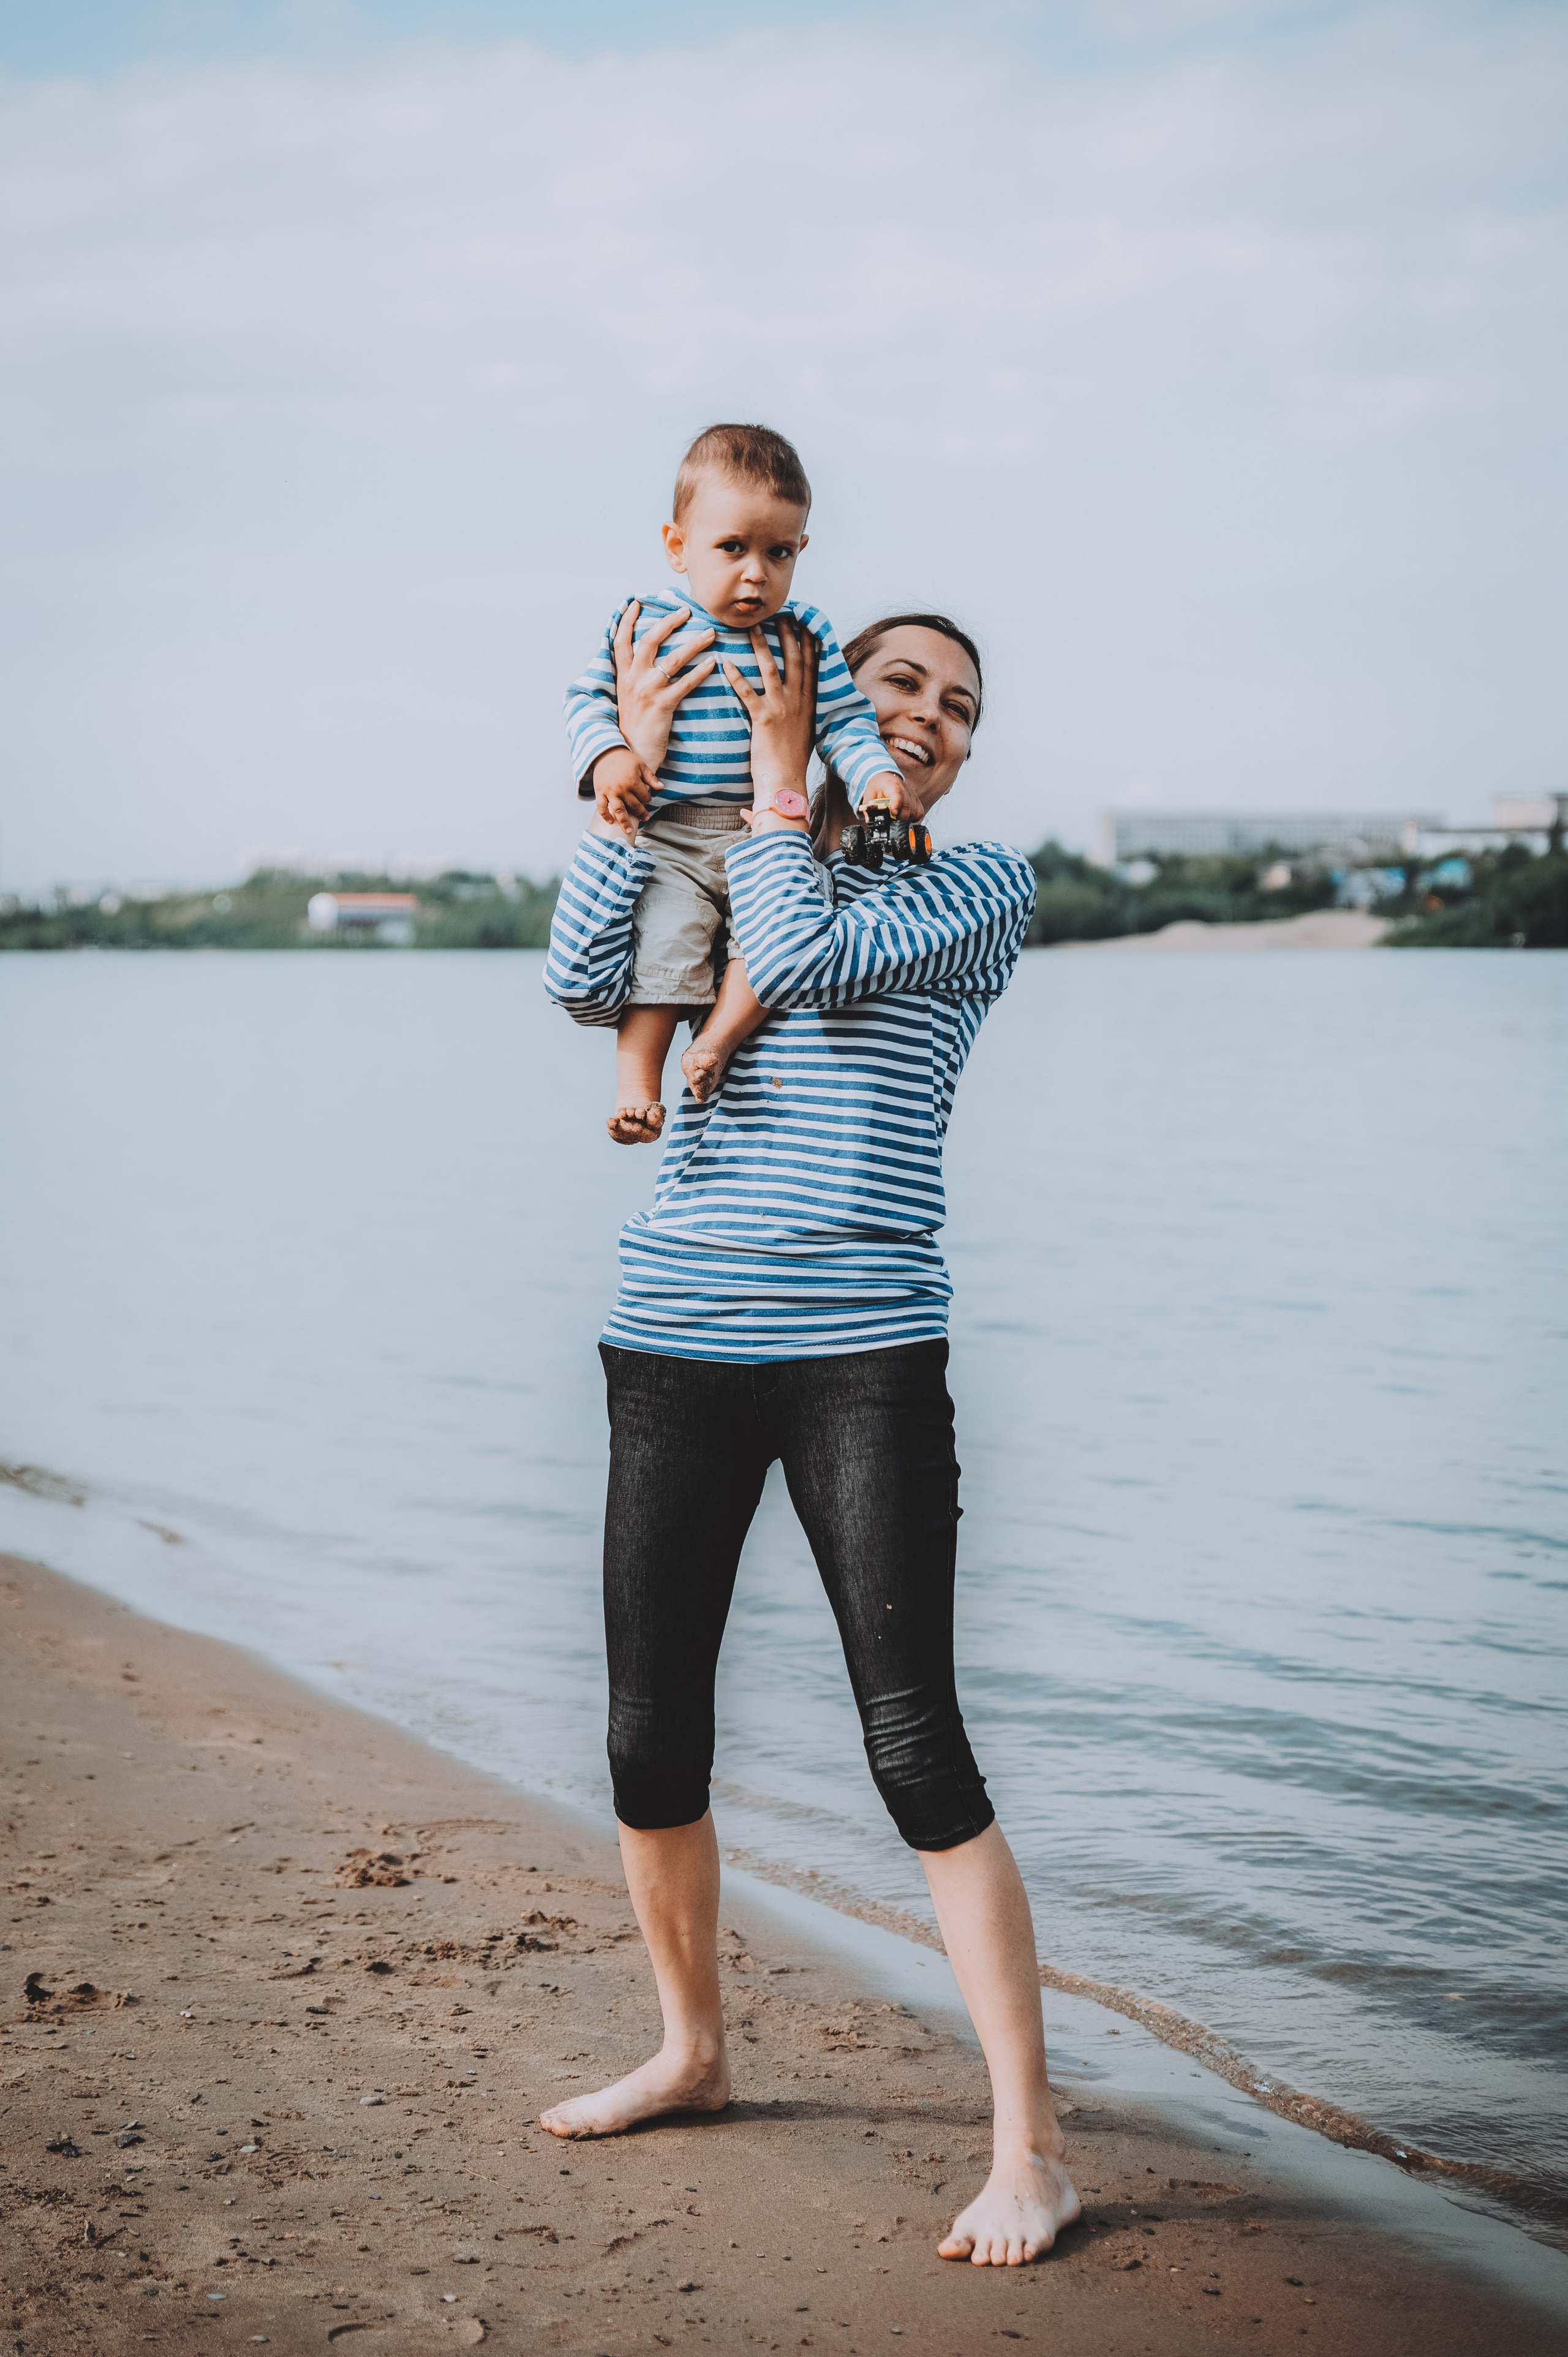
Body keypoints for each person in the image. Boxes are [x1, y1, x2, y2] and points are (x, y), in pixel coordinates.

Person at [541, 613, 1082, 2268]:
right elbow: (581, 980)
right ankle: (694, 2052)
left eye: (961, 706)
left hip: (862, 1356)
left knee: (915, 1745)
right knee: (649, 1738)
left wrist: (781, 780)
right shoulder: (721, 855)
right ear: (842, 688)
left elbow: (823, 958)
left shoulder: (978, 890)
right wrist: (619, 804)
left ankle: (1033, 2155)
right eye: (901, 683)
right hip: (678, 1334)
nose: (928, 715)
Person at [564, 421, 909, 1145]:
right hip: (675, 831)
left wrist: (874, 772)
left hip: (765, 832)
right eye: (732, 549)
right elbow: (589, 702)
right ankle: (636, 1087)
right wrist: (611, 760)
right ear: (677, 546)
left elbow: (843, 720)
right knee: (664, 946)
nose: (756, 573)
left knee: (774, 937)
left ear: (801, 550)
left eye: (777, 552)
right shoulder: (645, 621)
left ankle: (715, 1042)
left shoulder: (805, 633)